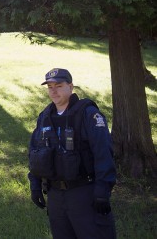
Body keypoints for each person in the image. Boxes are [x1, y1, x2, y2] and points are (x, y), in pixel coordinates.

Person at [28, 68, 116, 239]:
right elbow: (34, 153)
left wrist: (102, 191)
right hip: (55, 196)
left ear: (71, 86)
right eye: (50, 87)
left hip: (84, 194)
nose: (54, 91)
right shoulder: (45, 116)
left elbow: (103, 153)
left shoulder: (88, 114)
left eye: (59, 86)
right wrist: (35, 185)